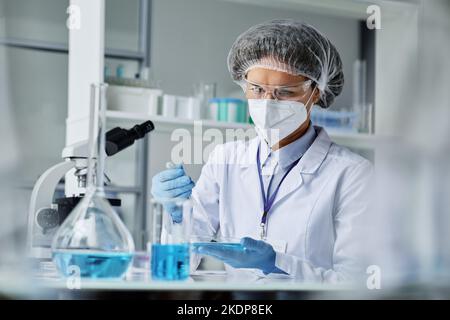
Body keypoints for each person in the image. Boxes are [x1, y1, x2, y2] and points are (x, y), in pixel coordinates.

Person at [152, 19, 372, 283]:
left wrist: (276, 263)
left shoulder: (353, 175)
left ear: (315, 92)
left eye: (284, 92)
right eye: (257, 89)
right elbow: (184, 261)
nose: (267, 104)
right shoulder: (226, 158)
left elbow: (357, 283)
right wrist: (178, 216)